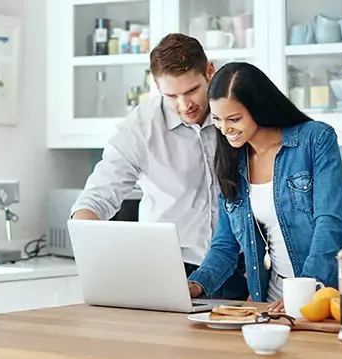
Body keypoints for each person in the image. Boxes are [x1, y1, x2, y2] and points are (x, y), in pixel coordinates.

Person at [70, 34, 248, 301]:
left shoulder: (237, 116)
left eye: (191, 91)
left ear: (210, 72)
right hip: (172, 271)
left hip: (242, 266)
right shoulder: (140, 129)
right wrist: (92, 254)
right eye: (171, 95)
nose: (184, 105)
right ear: (156, 85)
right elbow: (97, 198)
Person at [187, 62, 342, 311]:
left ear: (258, 108)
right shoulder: (232, 162)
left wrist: (306, 291)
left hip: (322, 298)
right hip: (269, 304)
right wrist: (196, 284)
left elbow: (331, 224)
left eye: (234, 119)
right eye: (218, 119)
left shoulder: (315, 140)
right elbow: (225, 244)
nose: (225, 129)